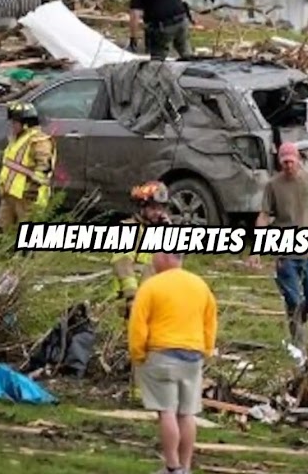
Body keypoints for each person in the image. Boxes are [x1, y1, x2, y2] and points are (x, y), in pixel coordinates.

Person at [129, 252, 218, 474]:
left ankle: (172, 466)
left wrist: (138, 354)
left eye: (155, 256)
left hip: (161, 354)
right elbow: (210, 322)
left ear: (167, 257)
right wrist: (206, 349)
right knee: (187, 413)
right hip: (193, 355)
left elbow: (138, 324)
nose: (152, 260)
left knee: (166, 411)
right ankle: (185, 467)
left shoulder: (152, 286)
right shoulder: (199, 285)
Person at [247, 142, 308, 346]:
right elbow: (264, 216)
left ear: (298, 159)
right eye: (284, 163)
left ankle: (299, 320)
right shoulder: (273, 185)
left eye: (291, 162)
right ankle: (297, 344)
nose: (288, 166)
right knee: (292, 300)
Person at [0, 102, 56, 247]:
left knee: (27, 231)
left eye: (15, 122)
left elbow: (44, 168)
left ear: (26, 123)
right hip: (10, 193)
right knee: (2, 226)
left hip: (27, 194)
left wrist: (33, 189)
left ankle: (26, 260)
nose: (12, 126)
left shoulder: (39, 141)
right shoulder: (18, 139)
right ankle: (3, 257)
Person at [112, 181, 174, 320]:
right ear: (142, 206)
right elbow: (122, 264)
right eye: (153, 208)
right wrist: (132, 297)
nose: (158, 213)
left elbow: (175, 262)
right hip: (126, 303)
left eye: (161, 208)